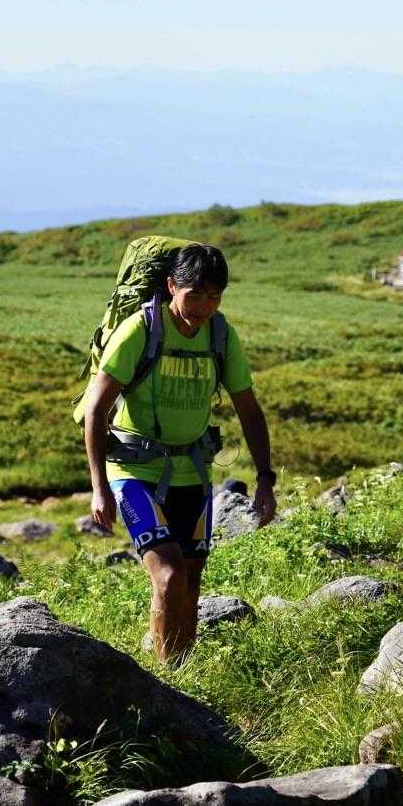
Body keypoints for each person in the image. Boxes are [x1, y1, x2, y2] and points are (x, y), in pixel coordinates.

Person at [81, 243, 275, 663]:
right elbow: (95, 410)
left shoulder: (221, 335)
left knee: (191, 580)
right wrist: (99, 488)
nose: (204, 307)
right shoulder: (140, 330)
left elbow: (249, 410)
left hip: (193, 472)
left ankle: (183, 673)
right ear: (171, 286)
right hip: (133, 471)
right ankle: (166, 676)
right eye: (195, 295)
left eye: (214, 296)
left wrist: (265, 479)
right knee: (169, 576)